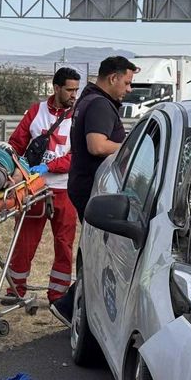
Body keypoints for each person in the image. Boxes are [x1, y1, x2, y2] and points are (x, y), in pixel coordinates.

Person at [56, 56, 138, 325]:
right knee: (98, 254)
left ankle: (75, 305)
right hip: (94, 188)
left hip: (87, 186)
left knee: (96, 252)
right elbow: (97, 146)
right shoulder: (101, 105)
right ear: (113, 78)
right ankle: (72, 305)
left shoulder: (90, 100)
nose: (128, 89)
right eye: (126, 83)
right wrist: (133, 149)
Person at [6, 67, 80, 307]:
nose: (73, 94)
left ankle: (57, 295)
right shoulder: (36, 111)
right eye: (69, 89)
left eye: (76, 90)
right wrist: (17, 170)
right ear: (56, 88)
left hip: (65, 189)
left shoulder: (79, 115)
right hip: (34, 188)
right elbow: (16, 144)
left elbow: (78, 156)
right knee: (24, 241)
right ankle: (15, 290)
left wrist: (52, 166)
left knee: (64, 244)